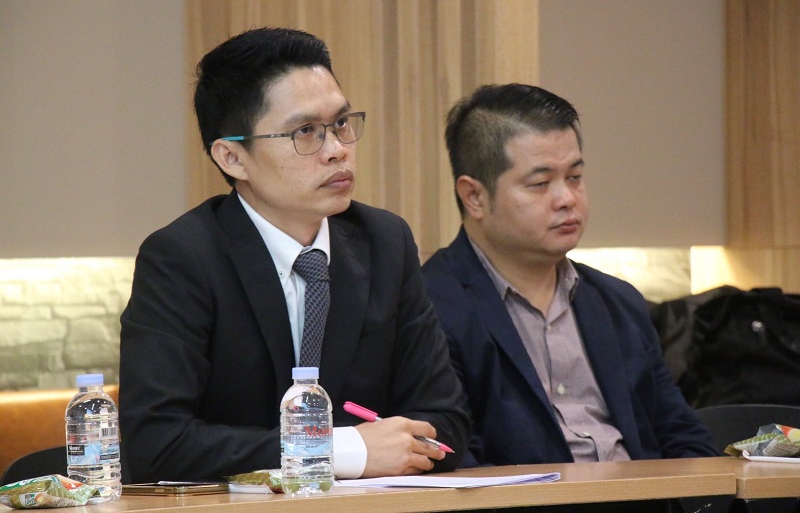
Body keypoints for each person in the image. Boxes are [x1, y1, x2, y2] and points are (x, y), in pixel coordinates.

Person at [119, 27, 469, 483]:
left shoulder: (384, 242)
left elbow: (447, 423)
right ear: (232, 158)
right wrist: (342, 450)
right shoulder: (182, 259)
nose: (337, 150)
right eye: (306, 132)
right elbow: (157, 445)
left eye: (341, 124)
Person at [422, 84, 717, 468]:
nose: (567, 199)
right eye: (540, 184)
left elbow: (682, 435)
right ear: (474, 196)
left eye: (575, 177)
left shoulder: (617, 301)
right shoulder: (429, 308)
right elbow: (458, 465)